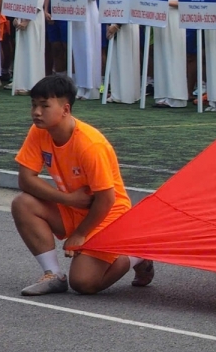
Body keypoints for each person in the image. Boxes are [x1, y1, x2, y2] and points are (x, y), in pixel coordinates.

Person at [11, 75, 154, 295]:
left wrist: (80, 233)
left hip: (108, 215)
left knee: (84, 283)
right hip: (74, 207)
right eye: (34, 105)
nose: (36, 112)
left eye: (44, 106)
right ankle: (53, 274)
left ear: (65, 109)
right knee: (23, 203)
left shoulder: (90, 145)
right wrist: (68, 199)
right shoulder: (39, 131)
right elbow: (25, 179)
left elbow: (107, 199)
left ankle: (137, 253)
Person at [60, 0, 103, 100]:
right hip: (76, 13)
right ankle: (80, 85)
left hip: (89, 14)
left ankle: (90, 87)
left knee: (88, 48)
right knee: (78, 50)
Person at [151, 0, 190, 108]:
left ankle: (177, 96)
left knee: (174, 55)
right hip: (160, 19)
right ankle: (163, 93)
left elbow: (185, 1)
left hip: (174, 20)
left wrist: (165, 2)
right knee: (161, 55)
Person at [104, 0, 140, 104]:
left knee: (127, 58)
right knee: (116, 58)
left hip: (127, 26)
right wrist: (109, 23)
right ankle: (117, 93)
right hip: (115, 24)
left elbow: (132, 7)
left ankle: (128, 94)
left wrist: (117, 25)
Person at [11, 0, 48, 94]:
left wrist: (26, 20)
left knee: (33, 50)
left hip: (33, 20)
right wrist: (15, 17)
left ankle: (33, 84)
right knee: (22, 50)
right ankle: (21, 82)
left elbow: (38, 4)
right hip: (21, 17)